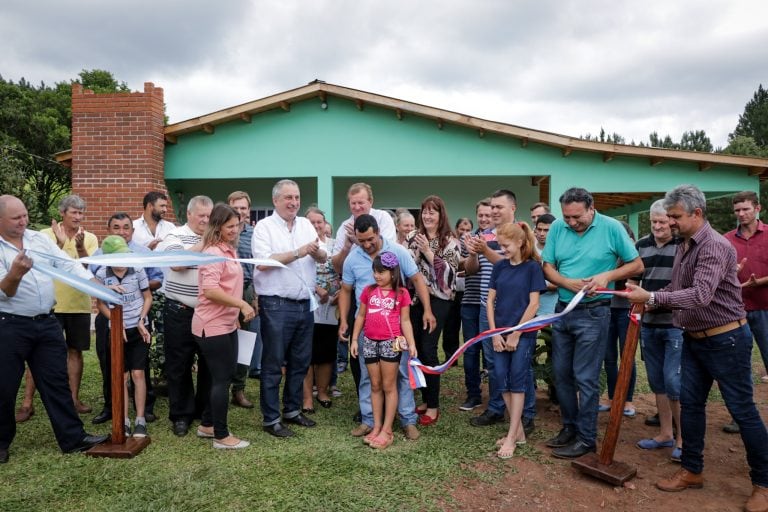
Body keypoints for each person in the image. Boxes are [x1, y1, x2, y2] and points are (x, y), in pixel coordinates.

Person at [625, 184, 768, 512]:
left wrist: (653, 298)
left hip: (726, 339)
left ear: (697, 213)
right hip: (694, 337)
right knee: (690, 406)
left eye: (675, 216)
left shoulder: (714, 246)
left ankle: (763, 483)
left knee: (742, 409)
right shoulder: (686, 245)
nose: (670, 222)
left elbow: (701, 294)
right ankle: (692, 470)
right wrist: (647, 295)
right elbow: (679, 288)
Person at [0, 194, 108, 463]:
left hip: (47, 322)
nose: (24, 221)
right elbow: (5, 293)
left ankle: (73, 438)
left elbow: (67, 263)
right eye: (16, 218)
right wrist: (14, 274)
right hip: (10, 324)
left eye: (25, 215)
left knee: (57, 381)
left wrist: (97, 286)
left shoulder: (38, 239)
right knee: (4, 386)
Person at [542, 187, 642, 459]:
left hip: (594, 313)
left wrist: (606, 275)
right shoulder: (558, 228)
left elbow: (637, 265)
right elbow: (547, 266)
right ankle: (569, 428)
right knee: (561, 375)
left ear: (591, 208)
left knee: (585, 378)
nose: (571, 222)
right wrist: (565, 282)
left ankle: (587, 438)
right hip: (563, 311)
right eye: (567, 217)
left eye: (577, 217)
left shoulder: (612, 228)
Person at [338, 214, 435, 441]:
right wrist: (344, 321)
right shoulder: (353, 258)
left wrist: (428, 310)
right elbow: (345, 290)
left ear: (378, 232)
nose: (367, 244)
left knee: (400, 374)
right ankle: (369, 420)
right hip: (367, 330)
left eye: (370, 239)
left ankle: (407, 420)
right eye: (362, 241)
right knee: (366, 377)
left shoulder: (397, 253)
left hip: (393, 332)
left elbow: (418, 279)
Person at [252, 180, 326, 438]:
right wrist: (299, 251)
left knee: (300, 361)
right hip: (276, 304)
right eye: (288, 198)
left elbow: (323, 255)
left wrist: (316, 253)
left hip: (304, 304)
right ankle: (271, 418)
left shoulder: (306, 224)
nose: (294, 202)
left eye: (296, 197)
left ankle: (292, 410)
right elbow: (262, 263)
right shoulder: (264, 227)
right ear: (275, 201)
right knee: (273, 363)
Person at [464, 190, 537, 435]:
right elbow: (471, 270)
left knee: (520, 365)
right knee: (494, 362)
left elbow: (511, 267)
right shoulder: (483, 235)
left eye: (499, 207)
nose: (494, 211)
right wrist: (474, 252)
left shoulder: (521, 235)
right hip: (490, 308)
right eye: (492, 206)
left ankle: (526, 415)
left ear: (513, 209)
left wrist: (485, 250)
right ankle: (496, 408)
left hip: (516, 311)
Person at [89, 213, 163, 426]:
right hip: (112, 320)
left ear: (132, 230)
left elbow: (155, 280)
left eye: (126, 227)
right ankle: (115, 410)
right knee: (112, 366)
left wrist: (138, 293)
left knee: (139, 370)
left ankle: (143, 412)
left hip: (137, 317)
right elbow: (91, 282)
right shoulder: (100, 256)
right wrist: (107, 291)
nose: (122, 231)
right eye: (116, 227)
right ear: (109, 230)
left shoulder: (140, 256)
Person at [193, 204, 255, 449]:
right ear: (217, 226)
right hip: (212, 324)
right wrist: (241, 303)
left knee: (219, 376)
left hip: (226, 323)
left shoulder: (228, 250)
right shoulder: (212, 253)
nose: (235, 230)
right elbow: (209, 290)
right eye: (229, 226)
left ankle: (207, 424)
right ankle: (221, 435)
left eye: (237, 225)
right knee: (222, 379)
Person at [630, 200, 684, 462]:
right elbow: (633, 278)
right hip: (648, 325)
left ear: (672, 221)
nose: (659, 227)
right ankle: (665, 433)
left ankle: (684, 437)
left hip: (675, 324)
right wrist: (632, 291)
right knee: (657, 381)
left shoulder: (683, 245)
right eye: (654, 222)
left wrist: (650, 300)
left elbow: (682, 285)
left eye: (663, 222)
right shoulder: (641, 245)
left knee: (674, 381)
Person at [487, 222, 546, 458]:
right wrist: (494, 333)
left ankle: (512, 436)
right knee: (501, 379)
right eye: (500, 246)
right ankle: (518, 431)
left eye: (506, 245)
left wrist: (517, 332)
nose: (502, 250)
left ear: (520, 242)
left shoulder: (532, 268)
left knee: (517, 382)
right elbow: (489, 301)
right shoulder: (500, 267)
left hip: (522, 335)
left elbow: (534, 304)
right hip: (499, 333)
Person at [157, 195, 214, 437]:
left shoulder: (218, 237)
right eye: (200, 215)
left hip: (209, 312)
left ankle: (203, 410)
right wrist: (205, 242)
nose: (205, 219)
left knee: (208, 364)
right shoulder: (174, 235)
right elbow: (177, 263)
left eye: (209, 216)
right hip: (179, 310)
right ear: (188, 215)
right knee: (178, 364)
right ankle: (181, 415)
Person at [351, 251, 418, 449]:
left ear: (393, 273)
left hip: (391, 343)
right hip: (370, 342)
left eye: (381, 272)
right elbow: (361, 316)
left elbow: (405, 320)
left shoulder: (402, 293)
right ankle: (376, 426)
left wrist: (411, 343)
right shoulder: (368, 291)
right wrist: (355, 339)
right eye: (374, 271)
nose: (377, 276)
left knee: (389, 386)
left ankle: (387, 430)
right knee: (374, 385)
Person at [39, 194, 99, 414]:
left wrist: (81, 248)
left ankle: (73, 400)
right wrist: (58, 242)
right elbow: (40, 262)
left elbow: (90, 270)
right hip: (49, 304)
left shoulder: (89, 237)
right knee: (39, 352)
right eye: (73, 212)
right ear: (62, 213)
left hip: (79, 304)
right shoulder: (45, 235)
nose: (78, 216)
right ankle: (27, 403)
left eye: (80, 212)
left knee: (75, 352)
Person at [406, 195, 460, 426]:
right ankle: (426, 399)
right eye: (424, 211)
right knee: (416, 348)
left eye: (432, 212)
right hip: (416, 299)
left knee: (429, 349)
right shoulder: (412, 237)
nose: (427, 216)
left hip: (439, 300)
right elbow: (407, 266)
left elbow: (450, 277)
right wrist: (415, 251)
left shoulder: (450, 241)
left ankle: (434, 405)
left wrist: (428, 251)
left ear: (441, 215)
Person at [95, 235, 153, 438]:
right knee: (122, 375)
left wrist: (142, 318)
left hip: (138, 329)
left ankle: (140, 419)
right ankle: (124, 419)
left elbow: (147, 297)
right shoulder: (102, 274)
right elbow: (100, 303)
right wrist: (116, 323)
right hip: (117, 330)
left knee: (138, 374)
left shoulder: (137, 270)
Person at [725, 191, 768, 387]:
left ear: (757, 208)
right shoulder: (726, 240)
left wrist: (758, 282)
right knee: (738, 364)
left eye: (746, 209)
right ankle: (743, 415)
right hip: (736, 310)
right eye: (737, 210)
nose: (741, 214)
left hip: (765, 307)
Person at [302, 206, 340, 412]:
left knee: (326, 352)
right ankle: (307, 397)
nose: (317, 226)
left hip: (331, 307)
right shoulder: (300, 246)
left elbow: (345, 270)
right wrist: (317, 290)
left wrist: (340, 292)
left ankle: (323, 391)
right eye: (312, 222)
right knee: (306, 353)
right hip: (308, 305)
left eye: (320, 222)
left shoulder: (335, 245)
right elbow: (296, 272)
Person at [599, 221, 638, 417]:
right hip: (606, 308)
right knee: (608, 357)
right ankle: (612, 396)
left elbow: (634, 275)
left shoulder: (633, 257)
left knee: (627, 355)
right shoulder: (607, 253)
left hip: (626, 311)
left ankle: (627, 399)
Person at [459, 198, 492, 411]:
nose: (484, 218)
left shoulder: (501, 237)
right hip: (470, 301)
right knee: (471, 351)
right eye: (480, 215)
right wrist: (472, 253)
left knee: (491, 352)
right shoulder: (469, 240)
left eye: (488, 214)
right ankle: (473, 394)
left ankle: (497, 399)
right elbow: (468, 270)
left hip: (492, 304)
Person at [227, 191, 258, 409]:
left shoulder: (256, 234)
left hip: (246, 291)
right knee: (222, 340)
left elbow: (258, 267)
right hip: (223, 292)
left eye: (243, 208)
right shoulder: (220, 232)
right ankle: (218, 386)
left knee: (244, 342)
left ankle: (238, 389)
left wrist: (255, 295)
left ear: (249, 210)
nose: (240, 212)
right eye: (235, 208)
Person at [332, 183, 397, 274]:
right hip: (355, 283)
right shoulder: (345, 226)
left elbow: (387, 254)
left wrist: (359, 240)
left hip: (382, 281)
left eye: (361, 203)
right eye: (353, 203)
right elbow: (337, 268)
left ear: (370, 201)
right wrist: (346, 248)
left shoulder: (382, 218)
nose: (357, 207)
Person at [442, 217, 473, 363]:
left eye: (468, 230)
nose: (464, 232)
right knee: (450, 325)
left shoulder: (473, 243)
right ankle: (450, 358)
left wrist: (463, 268)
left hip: (468, 291)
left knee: (468, 327)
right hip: (453, 291)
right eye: (462, 229)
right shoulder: (450, 243)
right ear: (456, 229)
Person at [534, 214, 559, 316]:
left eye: (546, 230)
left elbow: (558, 284)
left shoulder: (560, 252)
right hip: (531, 311)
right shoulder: (528, 250)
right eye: (539, 229)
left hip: (554, 310)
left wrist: (534, 284)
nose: (541, 233)